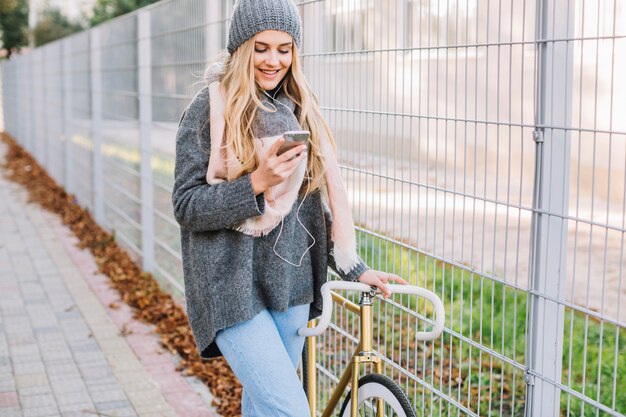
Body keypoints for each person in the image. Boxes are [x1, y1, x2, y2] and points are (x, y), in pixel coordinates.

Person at [172, 0, 406, 415]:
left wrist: (353, 267)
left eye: (285, 48)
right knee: (289, 410)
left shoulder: (300, 111)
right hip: (230, 288)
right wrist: (257, 183)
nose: (273, 60)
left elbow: (308, 210)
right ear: (241, 47)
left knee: (264, 408)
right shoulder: (208, 111)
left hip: (290, 284)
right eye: (261, 47)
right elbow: (187, 205)